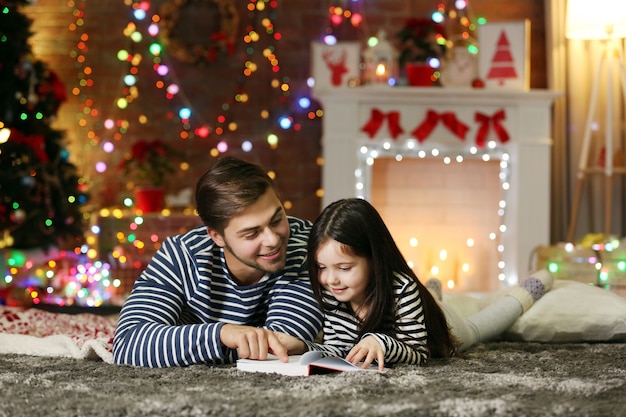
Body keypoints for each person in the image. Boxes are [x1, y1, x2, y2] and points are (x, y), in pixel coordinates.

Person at [277, 198, 553, 371]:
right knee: (429, 295)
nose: (330, 279)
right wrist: (303, 346)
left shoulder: (401, 288)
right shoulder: (335, 292)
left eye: (344, 268)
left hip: (442, 326)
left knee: (480, 326)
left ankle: (531, 288)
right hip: (415, 308)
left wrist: (380, 341)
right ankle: (432, 289)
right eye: (321, 268)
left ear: (374, 259)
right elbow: (338, 350)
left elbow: (418, 354)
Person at [113, 156, 324, 367]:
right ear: (217, 236)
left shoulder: (308, 249)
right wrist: (222, 334)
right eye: (251, 233)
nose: (273, 240)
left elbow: (277, 349)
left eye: (277, 220)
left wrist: (181, 347)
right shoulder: (181, 255)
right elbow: (127, 345)